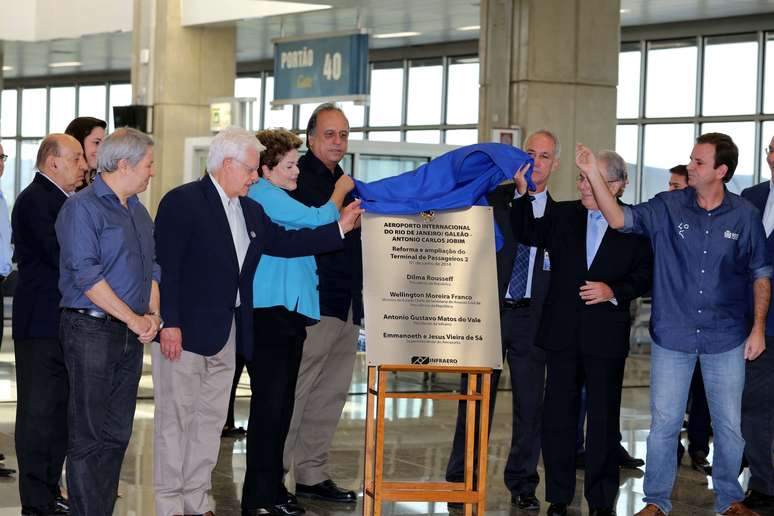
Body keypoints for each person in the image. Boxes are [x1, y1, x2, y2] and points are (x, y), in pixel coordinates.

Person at [152, 126, 361, 516]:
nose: (254, 175)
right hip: (186, 333)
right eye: (250, 168)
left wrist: (339, 228)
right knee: (175, 423)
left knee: (209, 424)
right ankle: (169, 506)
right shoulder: (183, 201)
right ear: (227, 164)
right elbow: (168, 269)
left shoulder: (248, 208)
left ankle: (197, 502)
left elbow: (285, 243)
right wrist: (170, 324)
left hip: (230, 332)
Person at [576, 133, 770, 516]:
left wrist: (758, 327)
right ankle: (656, 503)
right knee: (664, 424)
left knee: (730, 426)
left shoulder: (744, 215)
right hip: (673, 336)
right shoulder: (667, 206)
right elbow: (618, 219)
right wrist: (592, 174)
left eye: (699, 163)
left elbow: (761, 273)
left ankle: (730, 499)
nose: (691, 167)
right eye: (692, 160)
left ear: (721, 171)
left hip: (727, 336)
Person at [511, 150, 653, 516]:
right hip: (562, 336)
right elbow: (526, 231)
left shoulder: (635, 225)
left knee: (603, 421)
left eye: (595, 180)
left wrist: (613, 291)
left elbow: (644, 276)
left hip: (605, 337)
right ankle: (559, 496)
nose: (584, 186)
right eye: (582, 179)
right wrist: (527, 194)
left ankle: (601, 501)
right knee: (558, 418)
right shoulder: (563, 215)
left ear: (619, 185)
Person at [240, 128, 355, 516]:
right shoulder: (265, 196)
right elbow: (319, 217)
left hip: (287, 312)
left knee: (280, 407)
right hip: (270, 313)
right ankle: (259, 496)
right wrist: (340, 192)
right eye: (289, 165)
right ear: (266, 169)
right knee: (271, 408)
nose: (296, 172)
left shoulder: (276, 196)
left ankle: (272, 490)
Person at [445, 129, 559, 512]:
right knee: (475, 402)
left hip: (532, 320)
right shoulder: (492, 201)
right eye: (531, 153)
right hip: (488, 316)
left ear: (554, 164)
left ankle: (523, 483)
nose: (537, 162)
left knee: (531, 408)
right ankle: (462, 479)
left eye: (545, 156)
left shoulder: (561, 216)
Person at [56, 127, 161, 515]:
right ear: (123, 164)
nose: (152, 172)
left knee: (117, 434)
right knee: (88, 433)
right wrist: (135, 320)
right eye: (148, 165)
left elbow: (153, 267)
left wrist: (152, 315)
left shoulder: (137, 210)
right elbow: (86, 276)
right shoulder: (81, 208)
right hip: (90, 330)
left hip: (129, 333)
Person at [283, 103, 362, 502]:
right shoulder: (299, 178)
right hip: (314, 303)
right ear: (311, 137)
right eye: (330, 134)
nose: (337, 141)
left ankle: (312, 473)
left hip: (346, 304)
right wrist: (341, 193)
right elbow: (314, 224)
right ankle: (276, 474)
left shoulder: (344, 181)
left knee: (331, 393)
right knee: (298, 390)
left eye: (344, 134)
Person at [13, 134, 86, 515]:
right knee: (38, 415)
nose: (84, 165)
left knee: (59, 413)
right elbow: (62, 257)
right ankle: (36, 499)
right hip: (40, 323)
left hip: (61, 322)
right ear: (52, 161)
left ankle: (50, 491)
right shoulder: (36, 200)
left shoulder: (66, 200)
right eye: (76, 158)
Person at [667, 164, 714, 475]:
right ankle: (671, 448)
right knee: (671, 394)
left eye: (676, 186)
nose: (671, 191)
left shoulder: (708, 223)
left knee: (702, 390)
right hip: (673, 323)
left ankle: (699, 448)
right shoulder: (665, 221)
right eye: (669, 185)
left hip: (707, 323)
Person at [738, 136, 774, 511]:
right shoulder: (751, 195)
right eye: (772, 149)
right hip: (757, 324)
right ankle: (764, 484)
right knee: (753, 408)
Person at [64, 117, 106, 188]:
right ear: (78, 142)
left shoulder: (98, 182)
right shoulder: (68, 187)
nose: (103, 149)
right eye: (97, 142)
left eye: (105, 143)